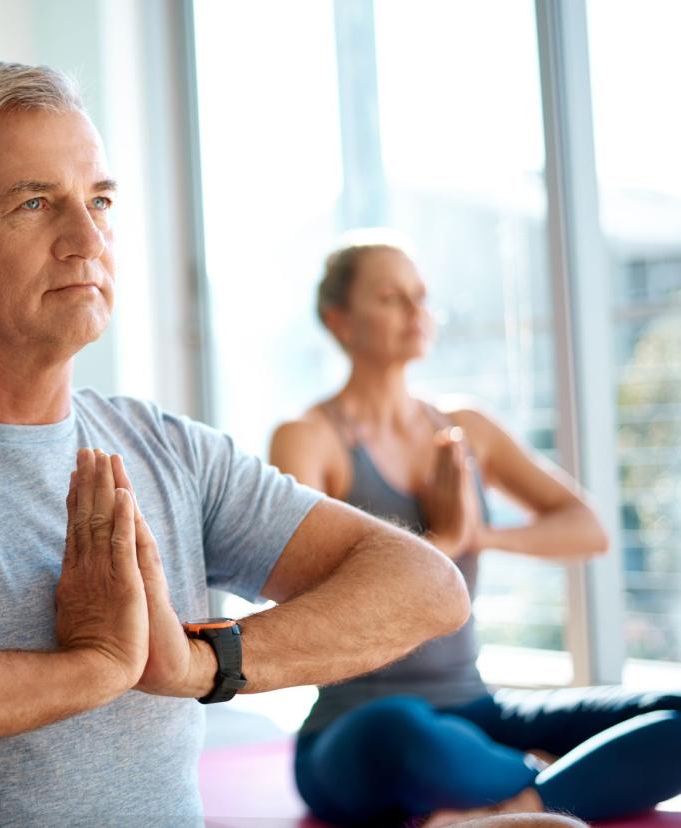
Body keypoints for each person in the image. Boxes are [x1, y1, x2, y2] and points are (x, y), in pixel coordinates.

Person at [0, 65, 478, 827]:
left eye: (99, 201)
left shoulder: (172, 451)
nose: (85, 240)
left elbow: (427, 586)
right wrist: (88, 670)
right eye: (35, 203)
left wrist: (197, 664)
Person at [270, 234, 681, 826]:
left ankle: (517, 806)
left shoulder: (465, 427)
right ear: (339, 322)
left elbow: (587, 528)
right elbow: (294, 585)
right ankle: (559, 780)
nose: (416, 312)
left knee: (672, 710)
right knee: (407, 733)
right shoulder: (309, 438)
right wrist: (444, 544)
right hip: (358, 724)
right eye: (391, 297)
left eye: (421, 296)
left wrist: (481, 538)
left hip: (475, 705)